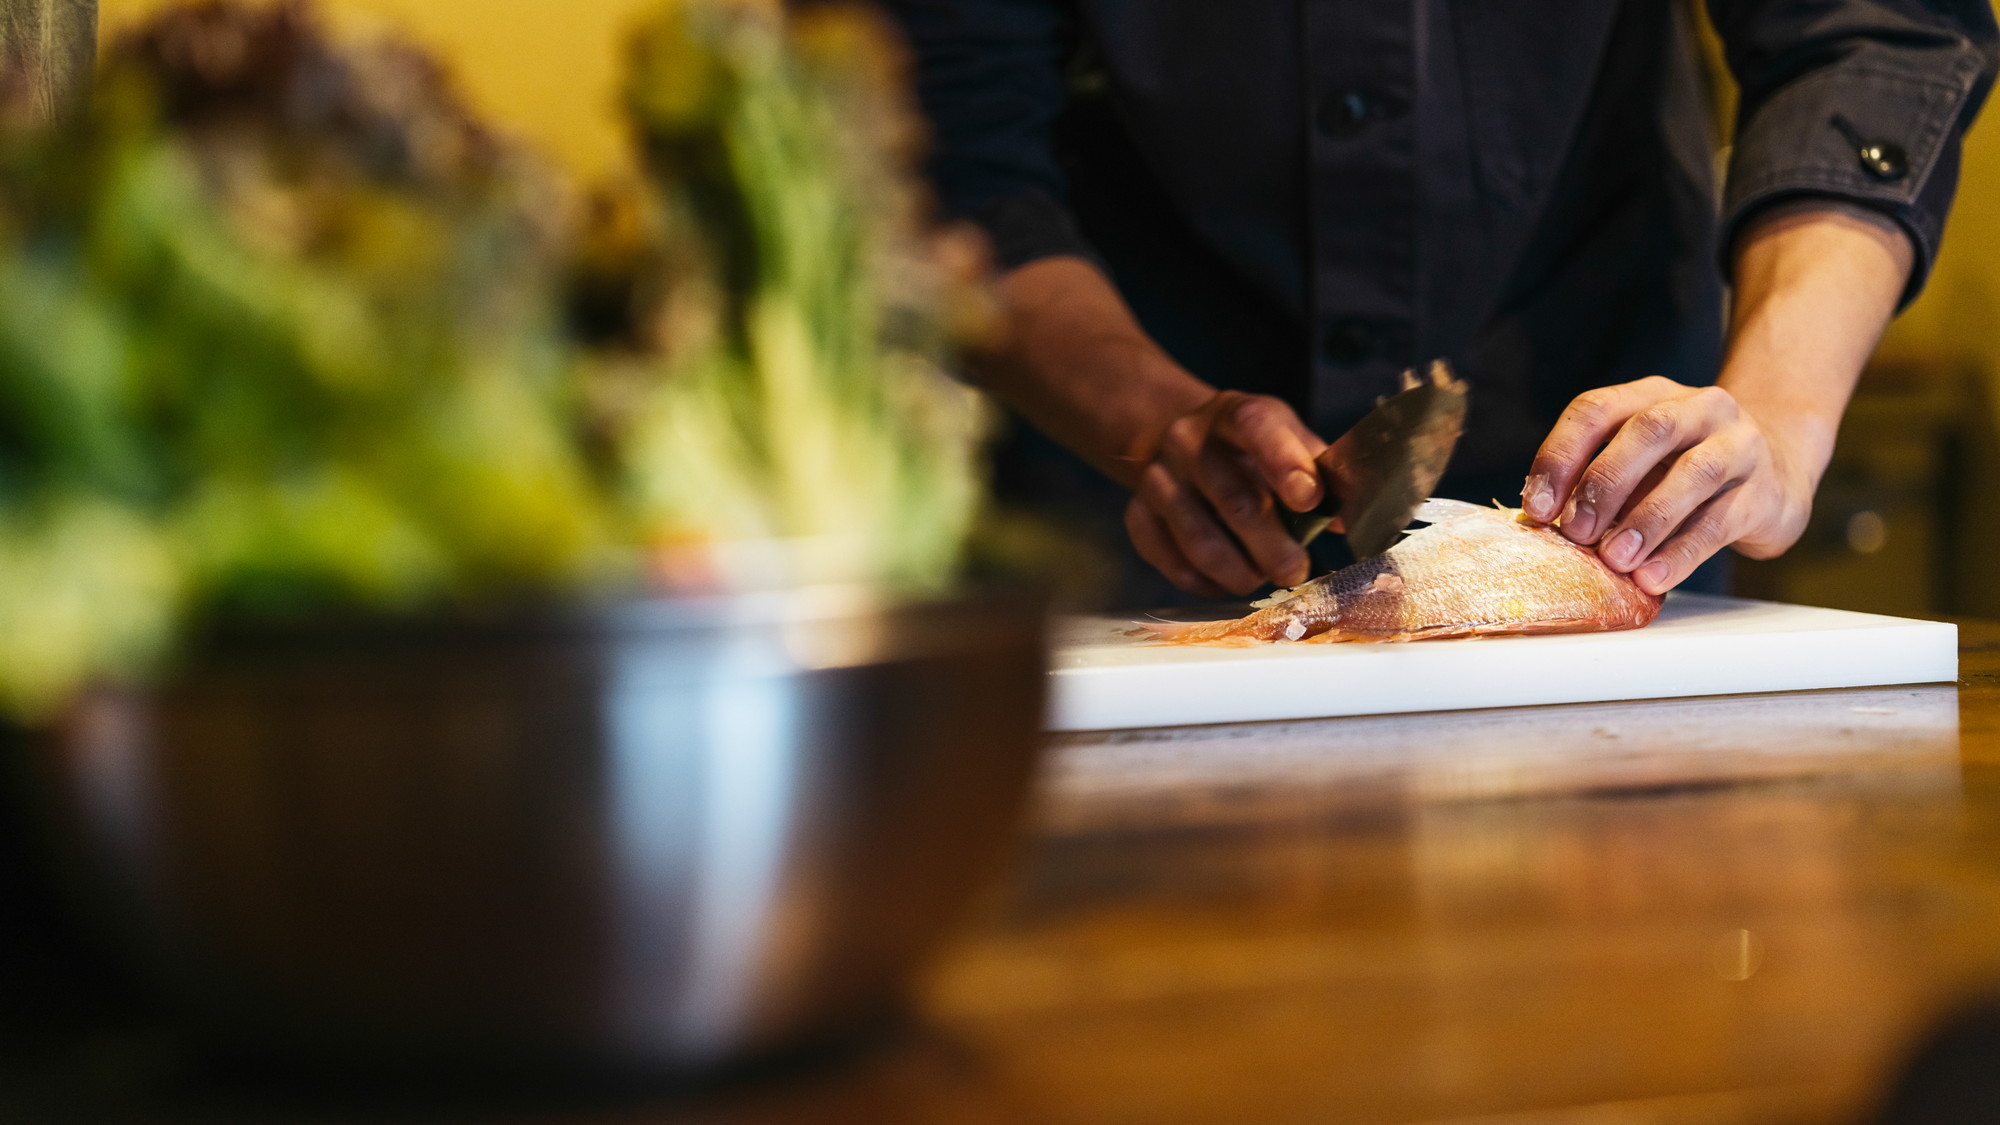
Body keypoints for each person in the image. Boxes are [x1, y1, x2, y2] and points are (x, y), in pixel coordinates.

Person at [884, 0, 1998, 606]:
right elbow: (959, 155)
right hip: (1133, 543)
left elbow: (1868, 28)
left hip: (1608, 532)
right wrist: (1145, 416)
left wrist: (1779, 424)